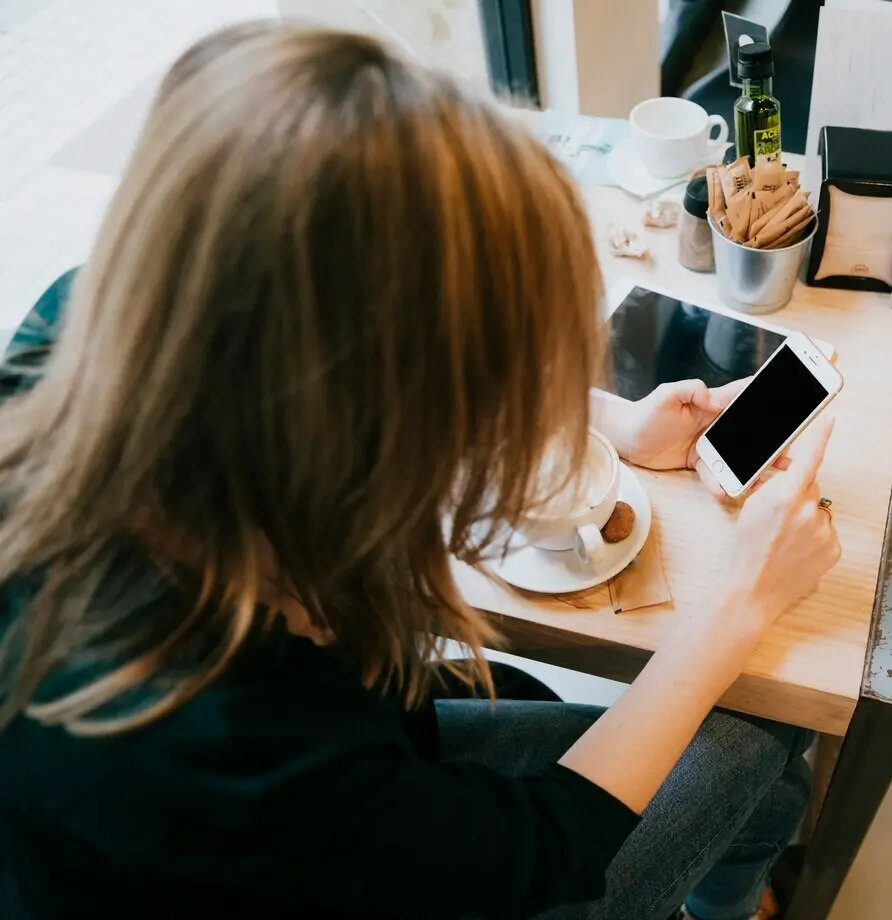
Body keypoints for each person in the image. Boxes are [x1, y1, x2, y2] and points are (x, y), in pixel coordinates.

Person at [0, 21, 841, 920]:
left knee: (762, 793)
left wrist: (617, 424)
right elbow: (542, 851)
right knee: (757, 743)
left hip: (336, 778)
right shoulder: (217, 734)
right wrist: (737, 602)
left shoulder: (103, 326)